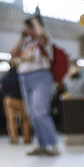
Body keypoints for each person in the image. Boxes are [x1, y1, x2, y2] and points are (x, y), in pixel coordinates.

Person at [13, 14, 61, 155]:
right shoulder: (26, 42)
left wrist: (35, 21)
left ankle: (52, 144)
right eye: (27, 27)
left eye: (31, 27)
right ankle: (42, 143)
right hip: (24, 77)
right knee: (31, 113)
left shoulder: (44, 40)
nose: (29, 30)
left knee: (40, 110)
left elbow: (41, 35)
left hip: (41, 76)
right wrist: (22, 38)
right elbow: (13, 54)